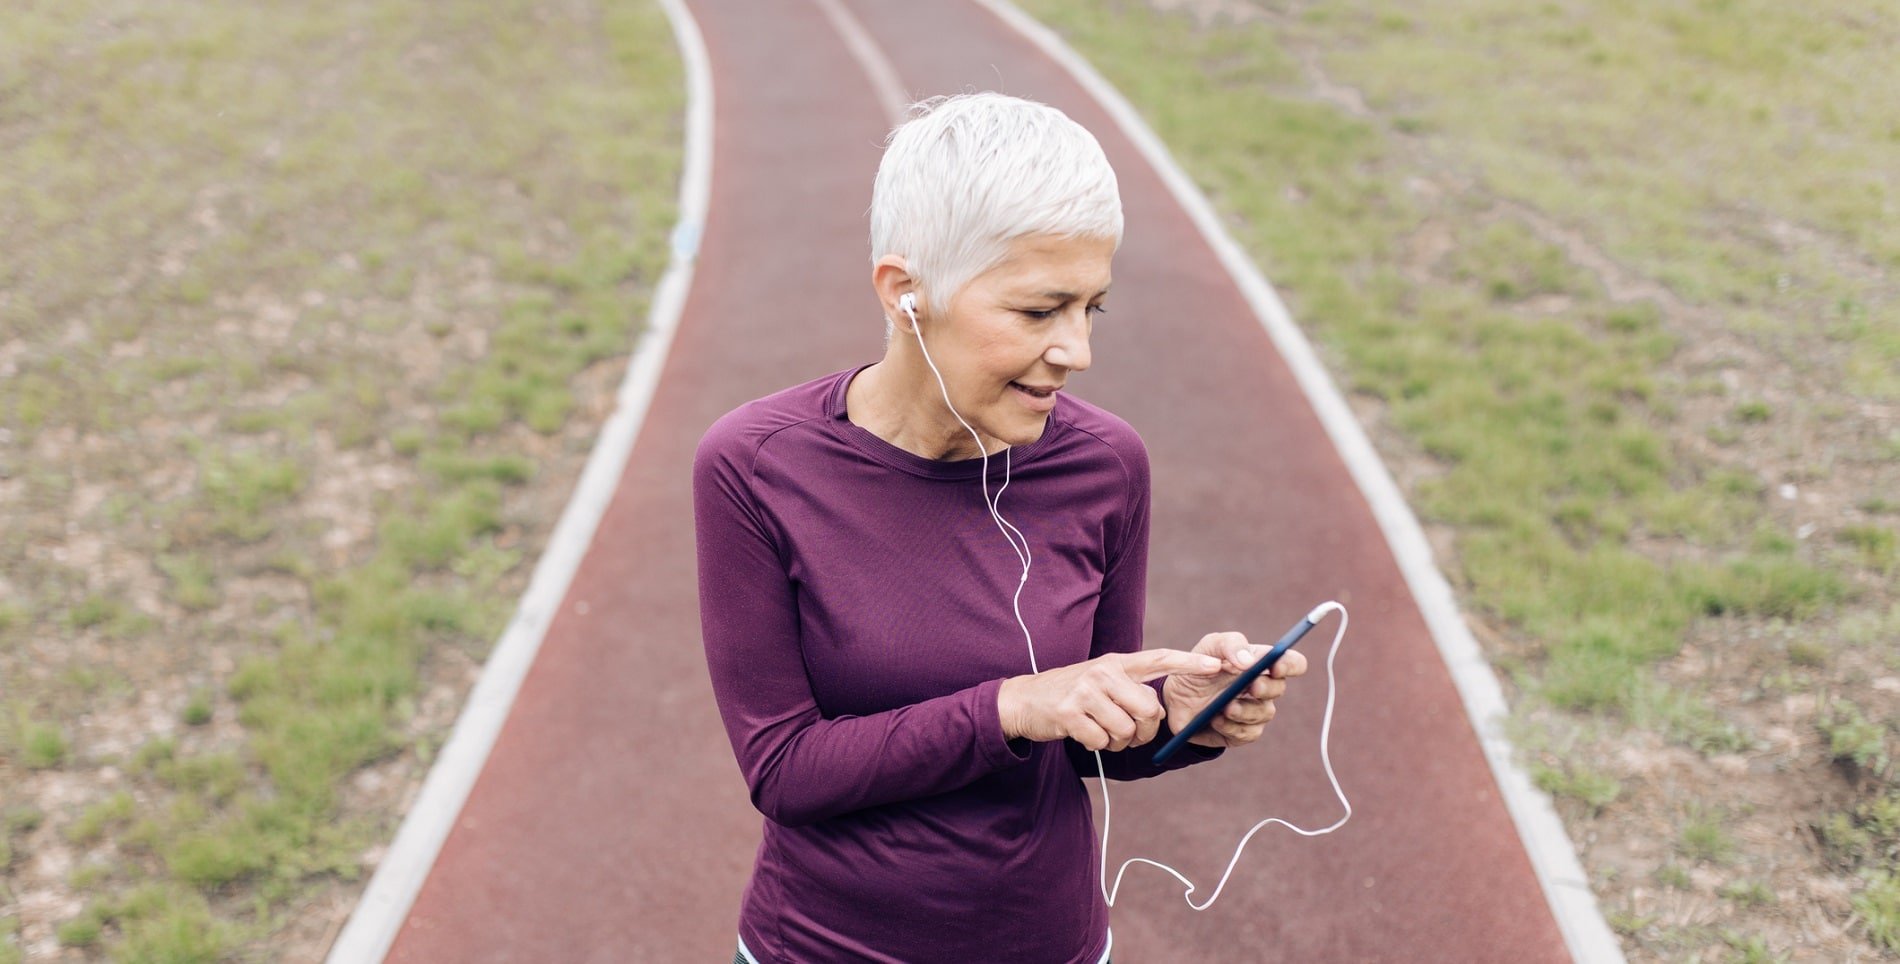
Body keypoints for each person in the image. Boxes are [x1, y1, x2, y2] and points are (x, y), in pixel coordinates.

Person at [693, 92, 1308, 964]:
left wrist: (1177, 716)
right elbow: (785, 770)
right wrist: (1015, 706)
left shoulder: (1108, 464)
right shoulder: (755, 467)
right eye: (1037, 311)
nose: (1077, 351)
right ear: (906, 294)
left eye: (1092, 309)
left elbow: (1094, 742)